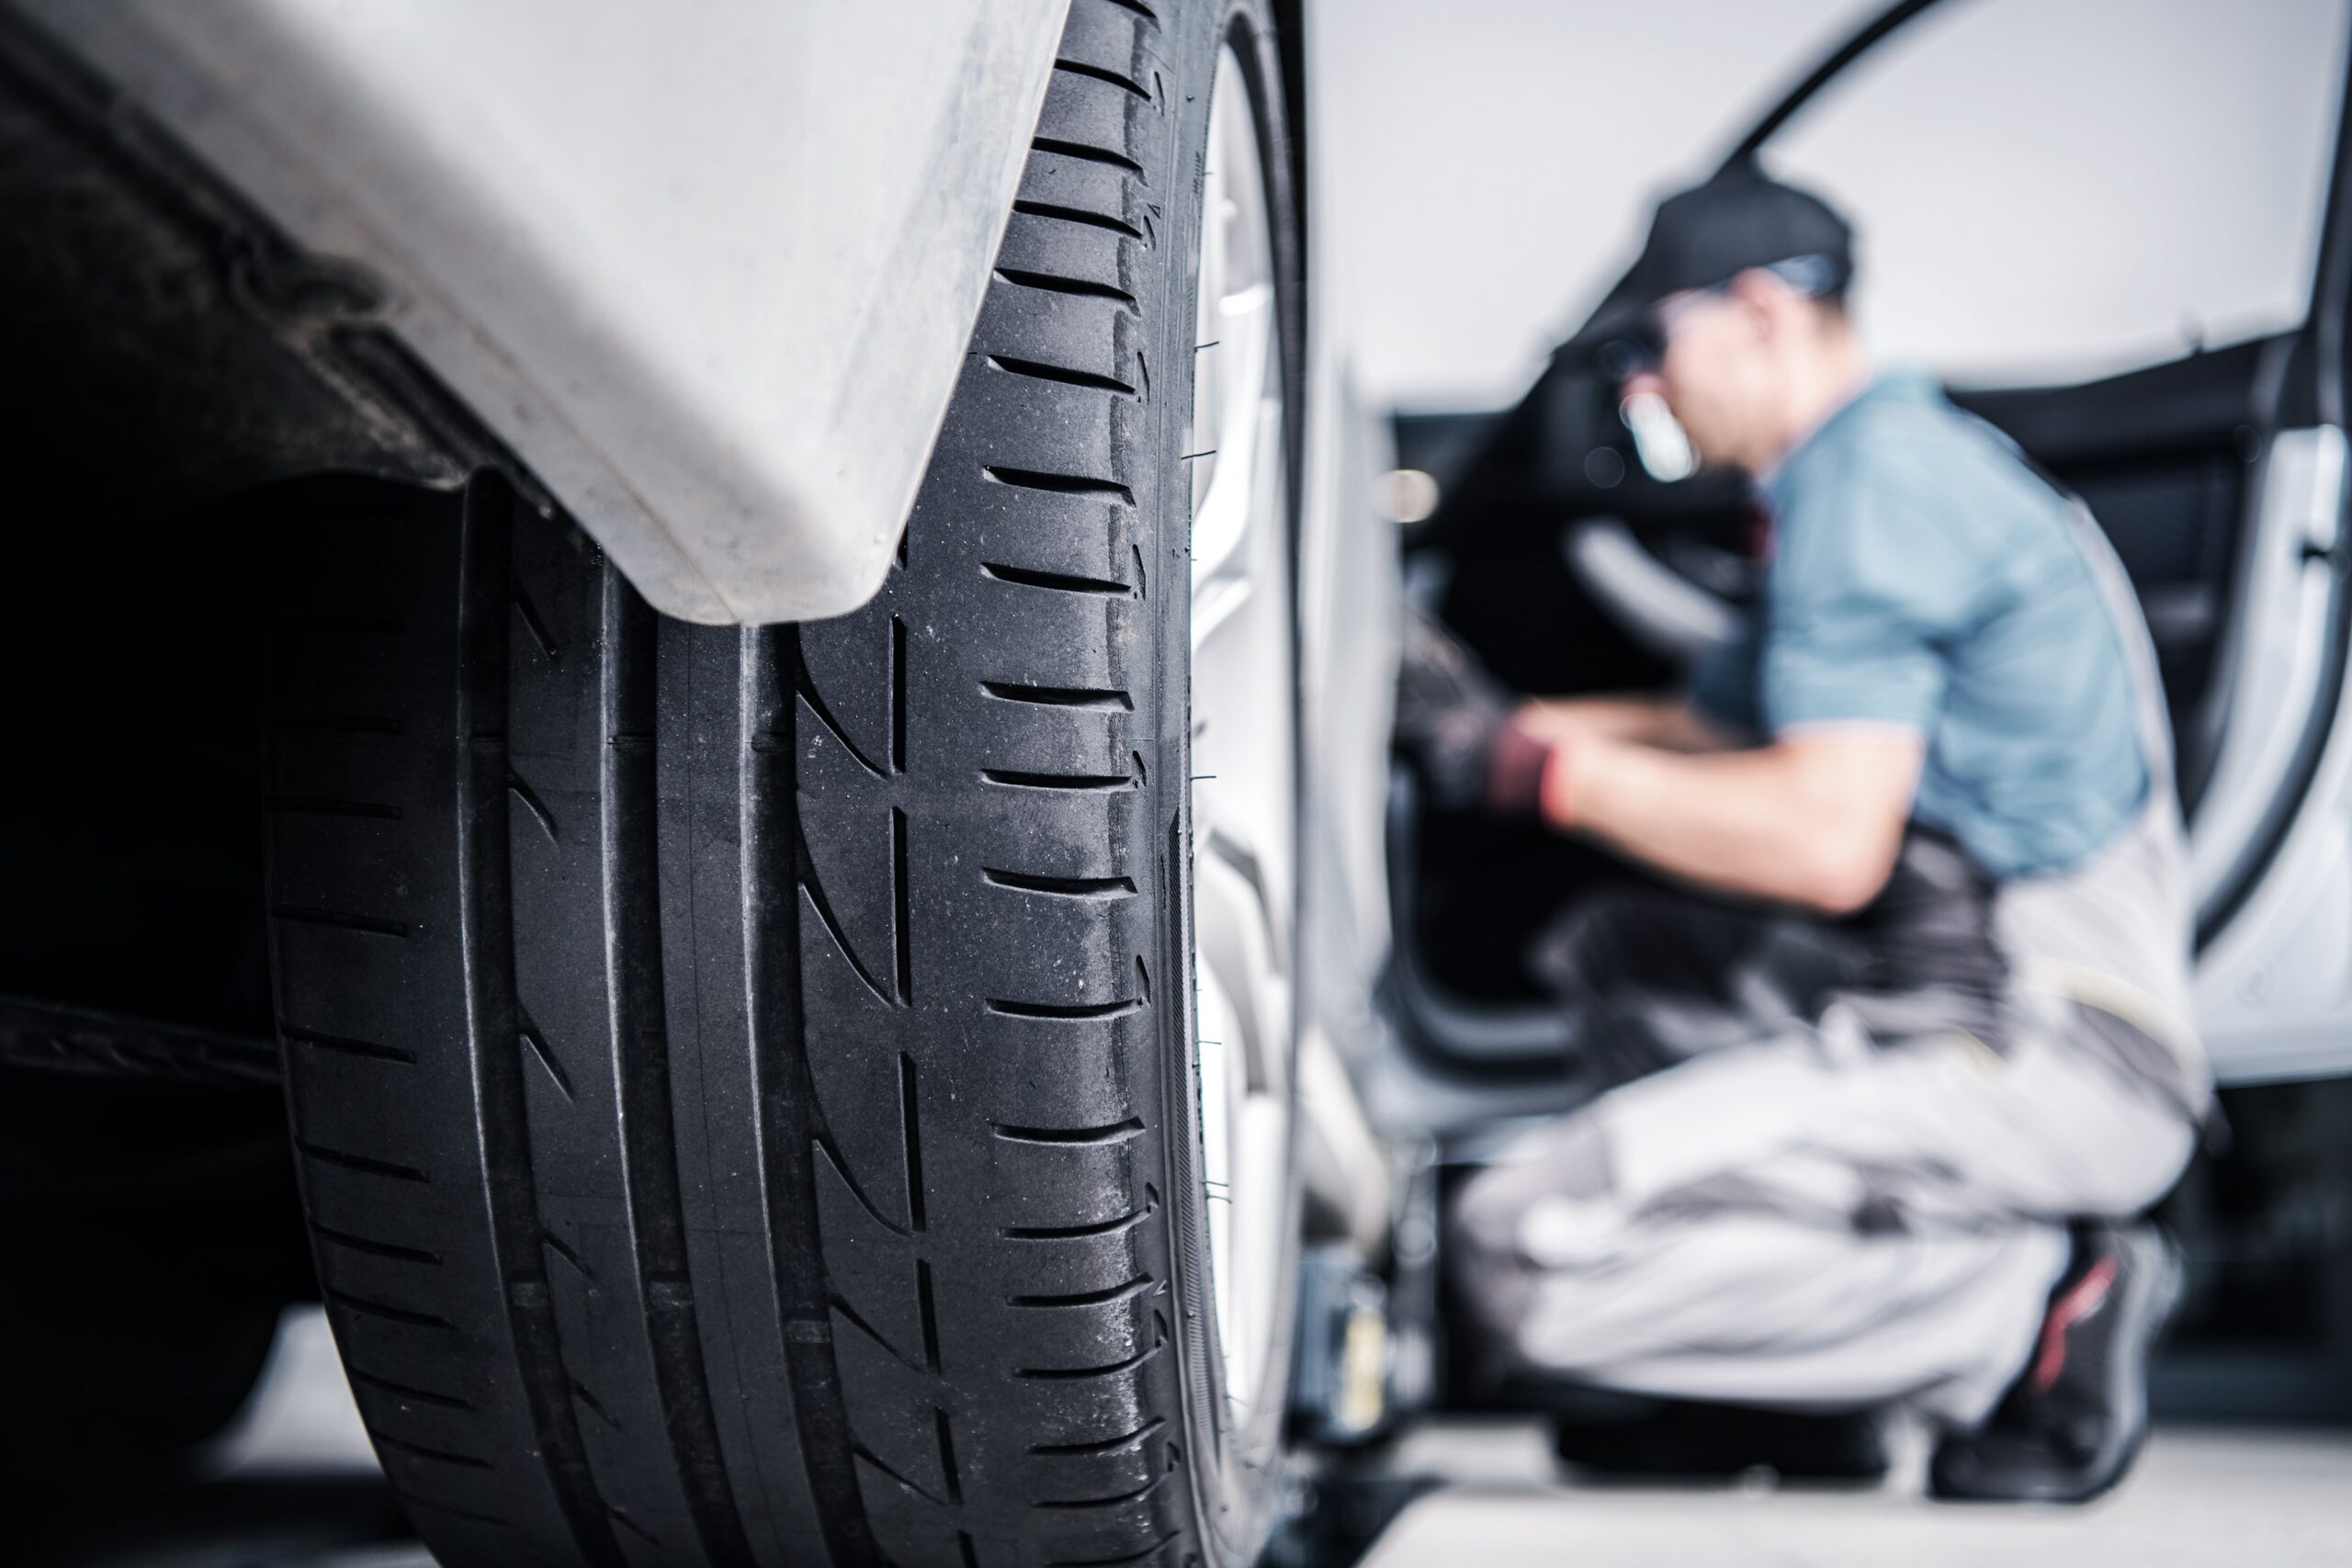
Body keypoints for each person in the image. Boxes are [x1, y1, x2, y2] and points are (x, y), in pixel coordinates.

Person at [1408, 165, 2211, 1503]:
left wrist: (1534, 771)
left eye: (1653, 345)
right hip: (1937, 996)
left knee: (1515, 1248)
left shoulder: (1875, 485)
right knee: (1630, 945)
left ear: (1762, 312)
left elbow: (1824, 842)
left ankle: (2036, 1315)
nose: (1643, 390)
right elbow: (1704, 730)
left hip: (2044, 1044)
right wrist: (1466, 709)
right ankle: (1771, 1404)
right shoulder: (1868, 472)